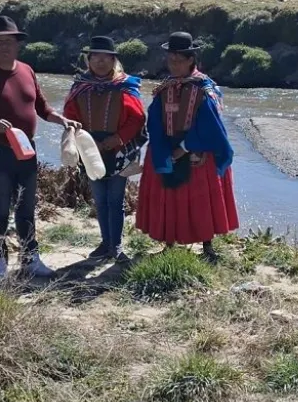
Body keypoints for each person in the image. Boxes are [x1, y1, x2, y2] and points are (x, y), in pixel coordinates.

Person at [0, 16, 83, 281]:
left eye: (8, 42)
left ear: (18, 45)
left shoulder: (27, 71)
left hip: (27, 150)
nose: (4, 47)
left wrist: (62, 120)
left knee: (26, 207)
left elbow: (42, 107)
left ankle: (31, 259)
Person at [135, 31, 239, 263]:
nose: (174, 65)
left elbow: (210, 124)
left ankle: (207, 246)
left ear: (191, 59)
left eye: (179, 60)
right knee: (169, 198)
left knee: (201, 200)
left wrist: (184, 147)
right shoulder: (165, 88)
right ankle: (169, 243)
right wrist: (162, 149)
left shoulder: (205, 89)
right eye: (171, 60)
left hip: (199, 151)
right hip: (167, 148)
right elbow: (155, 120)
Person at [62, 36, 147, 264]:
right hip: (89, 149)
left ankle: (116, 245)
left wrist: (113, 141)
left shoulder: (125, 86)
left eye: (106, 57)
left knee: (115, 199)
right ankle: (105, 243)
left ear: (113, 60)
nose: (101, 61)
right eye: (96, 57)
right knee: (100, 198)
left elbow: (137, 118)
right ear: (89, 60)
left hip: (119, 149)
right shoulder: (80, 87)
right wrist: (84, 142)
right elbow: (70, 117)